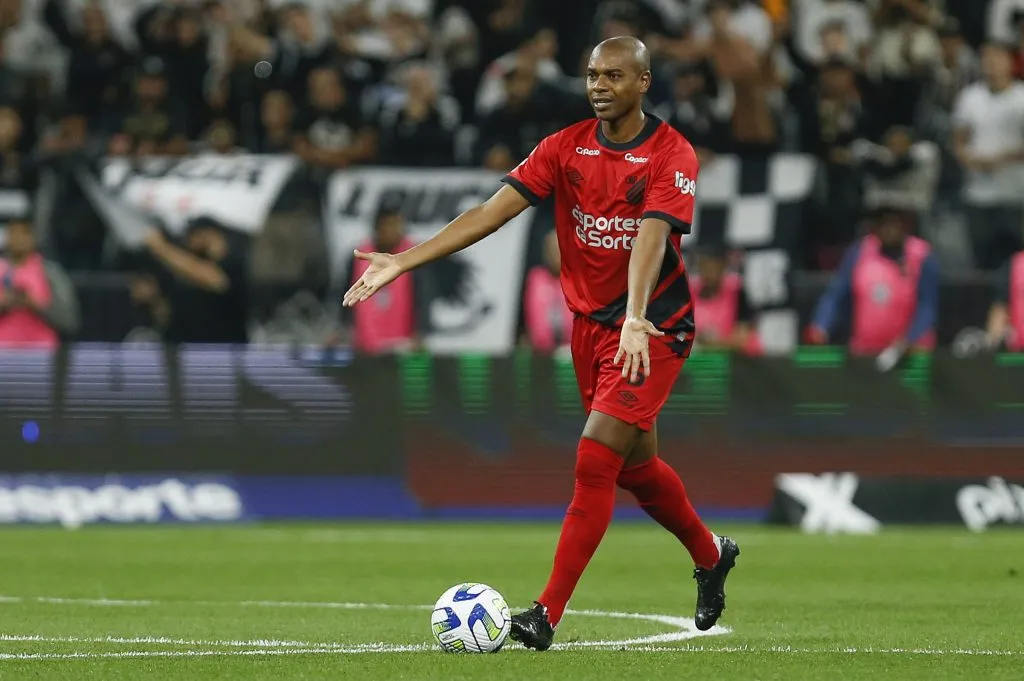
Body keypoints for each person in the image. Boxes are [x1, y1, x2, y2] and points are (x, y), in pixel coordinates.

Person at [343, 36, 740, 650]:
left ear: (643, 83)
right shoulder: (565, 146)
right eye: (591, 75)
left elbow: (651, 237)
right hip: (590, 328)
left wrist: (635, 315)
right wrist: (405, 260)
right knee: (636, 471)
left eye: (613, 75)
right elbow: (491, 211)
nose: (599, 85)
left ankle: (545, 614)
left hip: (653, 329)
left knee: (594, 458)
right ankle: (711, 553)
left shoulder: (672, 153)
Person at [807, 205, 939, 372]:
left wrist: (908, 341)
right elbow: (835, 294)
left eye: (894, 223)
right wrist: (821, 326)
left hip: (910, 356)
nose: (889, 229)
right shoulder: (858, 253)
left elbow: (927, 307)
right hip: (865, 354)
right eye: (883, 223)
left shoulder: (922, 256)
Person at [0, 216, 80, 348]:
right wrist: (5, 304)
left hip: (41, 355)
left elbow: (69, 320)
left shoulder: (51, 273)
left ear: (33, 238)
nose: (18, 239)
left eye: (23, 234)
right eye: (13, 233)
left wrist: (35, 305)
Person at [690, 244, 761, 354]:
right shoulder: (690, 292)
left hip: (739, 361)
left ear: (723, 267)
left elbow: (742, 337)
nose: (708, 274)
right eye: (704, 267)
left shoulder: (737, 291)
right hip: (703, 360)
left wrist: (711, 344)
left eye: (713, 268)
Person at [523, 230, 572, 354]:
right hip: (542, 354)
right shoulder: (536, 278)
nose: (556, 254)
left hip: (571, 352)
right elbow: (533, 318)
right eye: (552, 250)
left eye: (559, 249)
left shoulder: (575, 280)